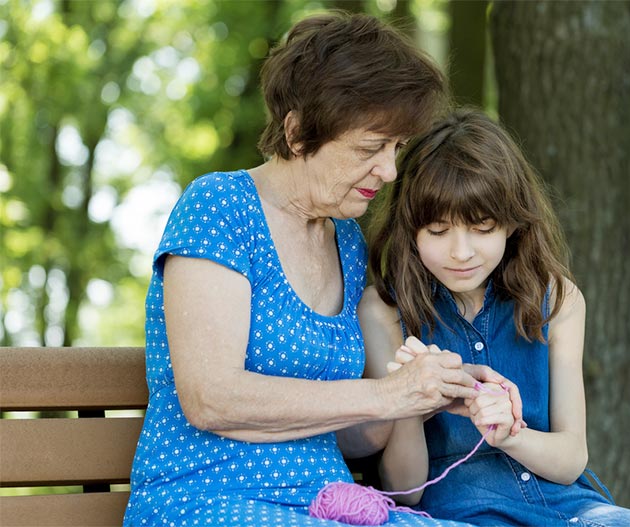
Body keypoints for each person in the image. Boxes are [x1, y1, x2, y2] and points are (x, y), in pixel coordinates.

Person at [124, 14, 512, 527]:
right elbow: (210, 399)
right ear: (298, 132)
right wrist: (384, 393)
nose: (390, 171)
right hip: (205, 499)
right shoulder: (220, 207)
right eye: (370, 148)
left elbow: (353, 437)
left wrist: (420, 394)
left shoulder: (346, 241)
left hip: (328, 506)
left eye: (395, 149)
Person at [360, 108, 630, 527]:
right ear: (409, 229)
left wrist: (510, 435)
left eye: (482, 228)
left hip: (570, 508)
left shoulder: (558, 298)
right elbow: (406, 489)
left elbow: (571, 459)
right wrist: (411, 400)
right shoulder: (384, 312)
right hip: (459, 514)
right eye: (437, 231)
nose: (461, 252)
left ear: (512, 222)